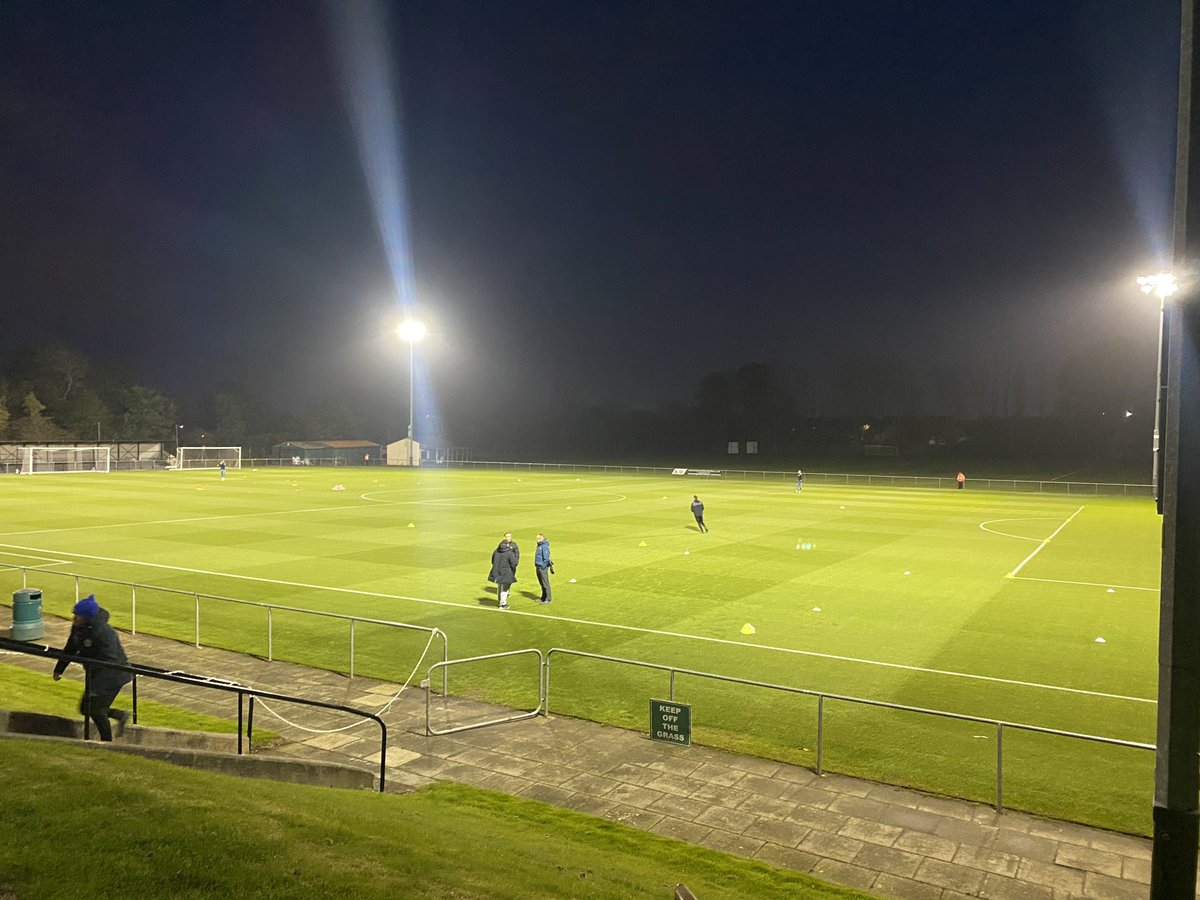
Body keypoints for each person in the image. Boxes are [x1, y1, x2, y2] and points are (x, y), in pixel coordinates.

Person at [52, 595, 132, 742]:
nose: (74, 619)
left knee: (95, 709)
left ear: (86, 617)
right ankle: (119, 715)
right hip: (97, 674)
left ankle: (106, 741)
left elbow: (111, 661)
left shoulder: (103, 632)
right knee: (85, 708)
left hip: (114, 675)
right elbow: (70, 648)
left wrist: (96, 687)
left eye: (78, 616)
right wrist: (59, 669)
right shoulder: (79, 628)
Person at [488, 536, 519, 609]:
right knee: (505, 588)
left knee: (499, 585)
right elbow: (513, 564)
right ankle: (502, 604)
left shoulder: (496, 551)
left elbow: (492, 561)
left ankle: (500, 600)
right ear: (507, 545)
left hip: (497, 572)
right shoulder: (509, 553)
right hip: (506, 573)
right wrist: (512, 570)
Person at [534, 533, 554, 604]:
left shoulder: (544, 547)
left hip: (542, 568)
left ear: (541, 539)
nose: (537, 540)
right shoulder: (540, 546)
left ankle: (548, 599)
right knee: (542, 583)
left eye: (538, 538)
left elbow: (546, 558)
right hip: (538, 567)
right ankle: (543, 597)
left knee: (545, 583)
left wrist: (542, 566)